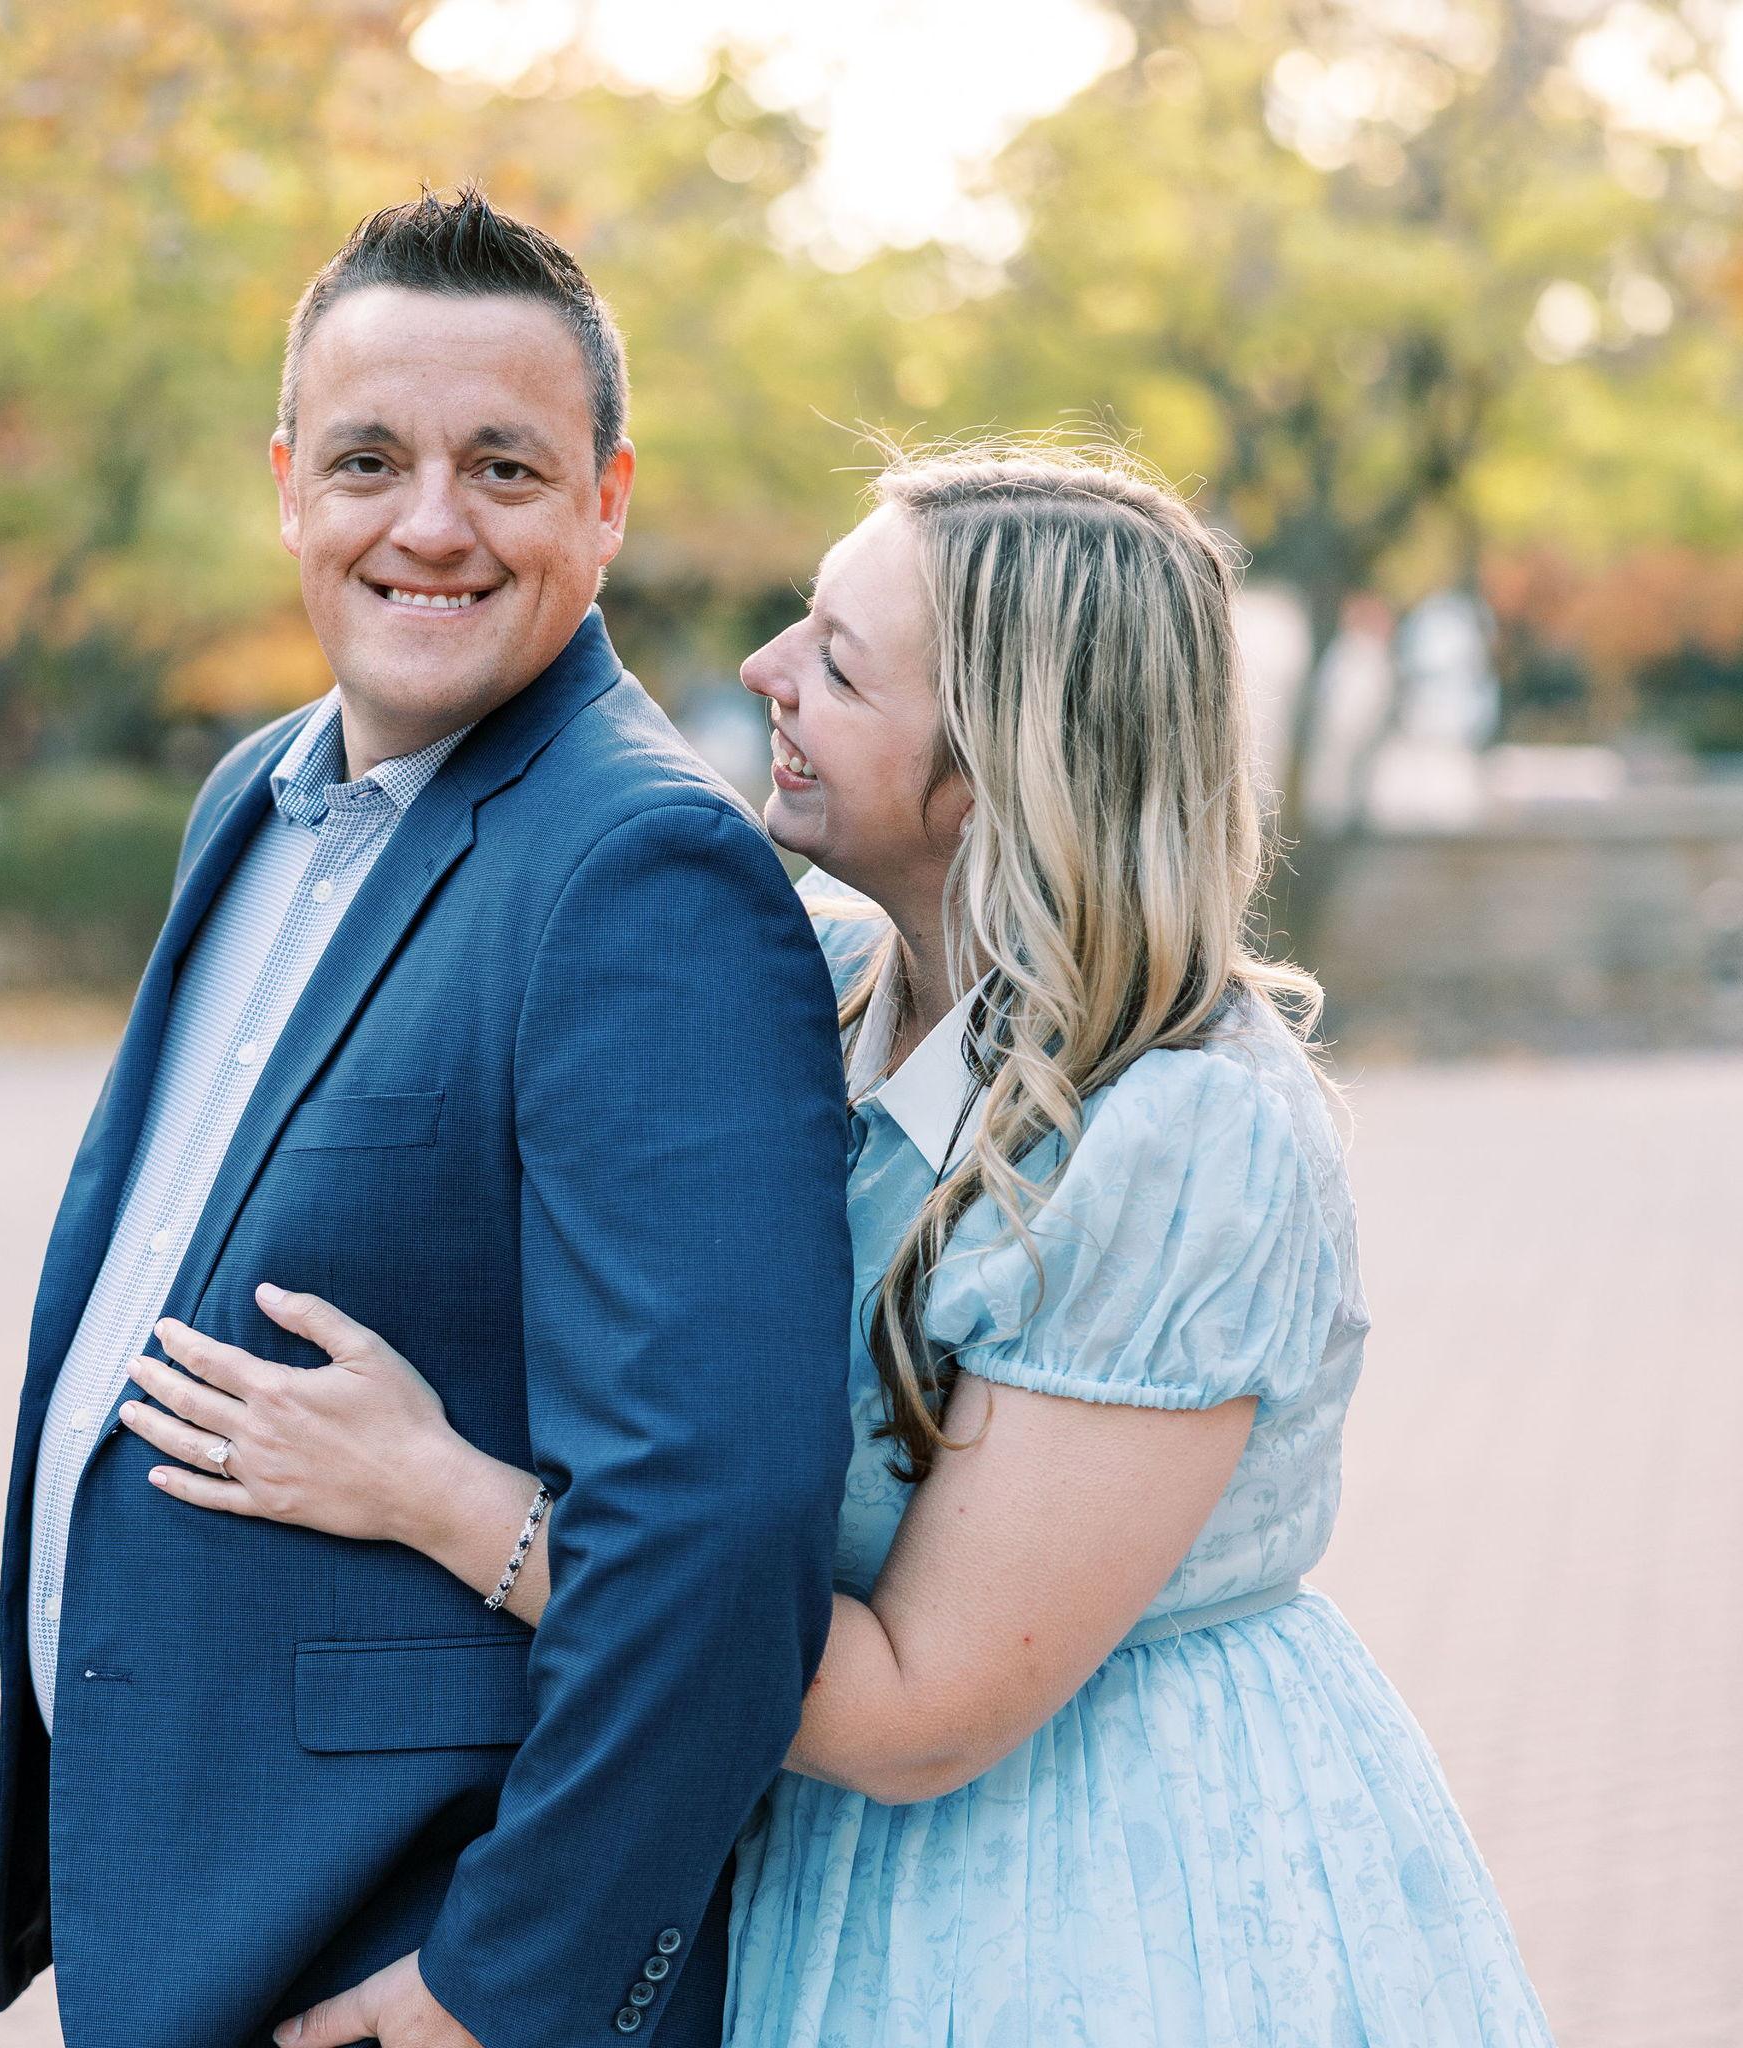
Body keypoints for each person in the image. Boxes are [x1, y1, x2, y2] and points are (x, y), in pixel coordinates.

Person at [128, 443, 1556, 2047]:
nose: (761, 673)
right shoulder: (811, 979)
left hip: (1087, 1892)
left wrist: (437, 1494)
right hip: (815, 1865)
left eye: (837, 660)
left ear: (997, 768)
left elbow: (918, 1714)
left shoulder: (1177, 1141)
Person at [0, 189, 856, 2048]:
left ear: (609, 501)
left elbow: (720, 1529)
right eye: (372, 459)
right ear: (290, 483)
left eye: (507, 468)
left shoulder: (643, 870)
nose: (431, 524)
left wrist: (507, 1985)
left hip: (404, 1941)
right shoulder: (257, 795)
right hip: (200, 1899)